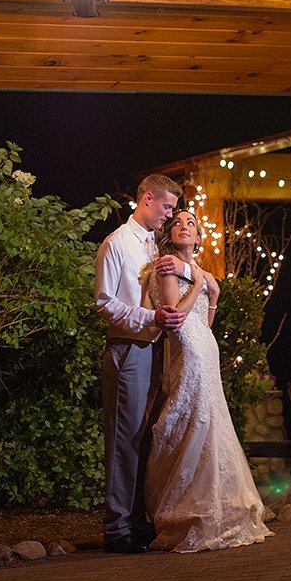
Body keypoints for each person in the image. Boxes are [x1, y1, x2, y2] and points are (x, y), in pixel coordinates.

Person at [143, 210, 272, 553]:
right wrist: (199, 285)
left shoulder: (198, 270)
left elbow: (204, 321)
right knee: (192, 420)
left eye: (192, 224)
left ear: (199, 238)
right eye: (177, 222)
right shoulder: (169, 264)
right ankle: (188, 512)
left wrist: (212, 296)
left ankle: (218, 505)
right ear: (170, 234)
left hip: (205, 347)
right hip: (187, 349)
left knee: (212, 423)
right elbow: (174, 317)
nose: (184, 226)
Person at [94, 174, 194, 554]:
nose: (170, 215)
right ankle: (117, 528)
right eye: (168, 207)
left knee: (145, 437)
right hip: (127, 349)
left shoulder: (154, 244)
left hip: (153, 349)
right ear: (147, 198)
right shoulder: (116, 244)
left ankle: (137, 521)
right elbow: (105, 303)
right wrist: (150, 319)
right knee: (124, 439)